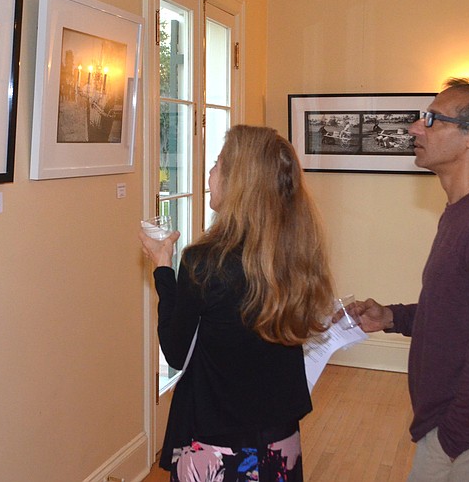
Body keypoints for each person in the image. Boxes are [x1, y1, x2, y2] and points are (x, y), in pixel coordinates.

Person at [347, 77, 469, 481]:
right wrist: (391, 318)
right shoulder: (464, 212)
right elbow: (455, 314)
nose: (415, 127)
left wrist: (451, 438)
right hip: (459, 424)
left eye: (432, 119)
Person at [139, 125, 335, 482]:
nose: (210, 174)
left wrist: (162, 267)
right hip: (279, 436)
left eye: (217, 165)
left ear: (238, 182)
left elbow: (176, 352)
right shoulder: (297, 252)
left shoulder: (205, 261)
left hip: (216, 441)